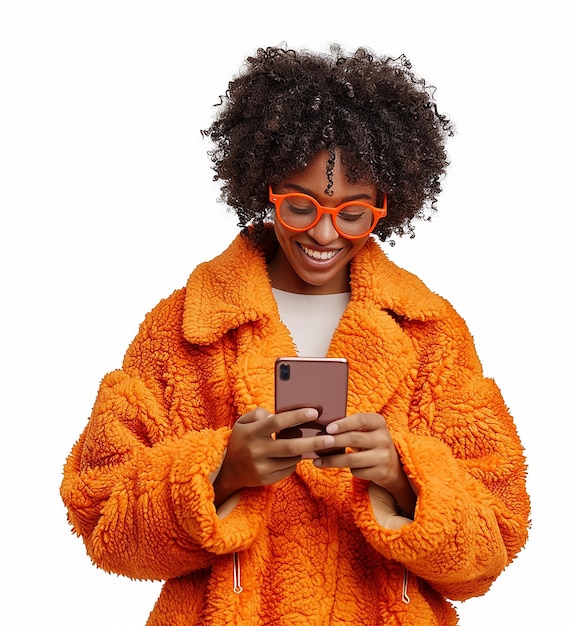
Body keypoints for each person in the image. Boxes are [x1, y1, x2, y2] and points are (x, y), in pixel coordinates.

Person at [61, 45, 530, 625]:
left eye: (353, 213)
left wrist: (403, 477)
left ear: (386, 206)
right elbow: (101, 520)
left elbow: (496, 538)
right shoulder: (187, 328)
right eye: (301, 207)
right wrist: (221, 470)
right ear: (264, 188)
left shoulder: (429, 333)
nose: (326, 233)